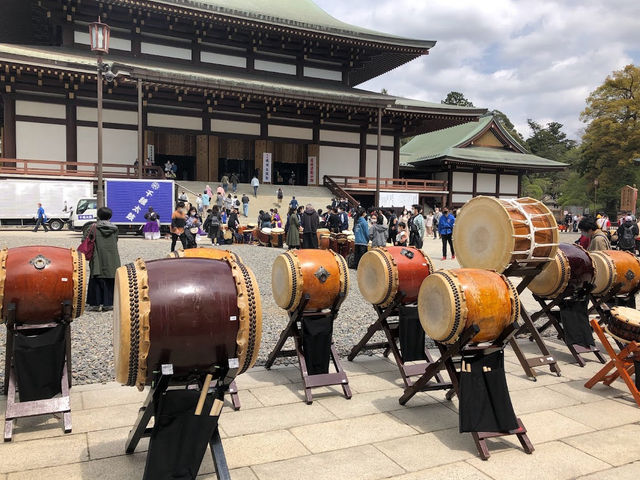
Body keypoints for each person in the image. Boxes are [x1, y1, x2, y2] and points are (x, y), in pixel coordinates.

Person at [85, 207, 121, 312]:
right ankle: (108, 303)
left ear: (99, 216)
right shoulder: (115, 228)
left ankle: (96, 304)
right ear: (110, 216)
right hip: (112, 257)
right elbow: (116, 240)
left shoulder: (93, 228)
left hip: (97, 256)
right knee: (110, 279)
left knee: (96, 278)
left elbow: (85, 240)